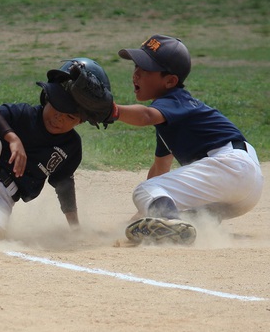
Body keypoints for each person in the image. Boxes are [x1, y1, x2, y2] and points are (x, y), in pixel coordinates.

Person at [0, 58, 112, 243]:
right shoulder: (26, 114)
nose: (59, 118)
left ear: (80, 121)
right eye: (56, 107)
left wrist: (75, 228)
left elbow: (63, 183)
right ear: (47, 98)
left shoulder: (71, 146)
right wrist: (12, 137)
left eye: (70, 116)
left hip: (1, 198)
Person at [108, 34, 263, 245]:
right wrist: (142, 212)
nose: (136, 75)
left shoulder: (176, 100)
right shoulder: (171, 116)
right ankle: (190, 226)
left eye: (145, 70)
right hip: (244, 190)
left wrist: (112, 111)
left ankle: (171, 224)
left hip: (231, 168)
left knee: (143, 191)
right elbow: (160, 168)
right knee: (165, 200)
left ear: (170, 81)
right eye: (136, 67)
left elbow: (145, 116)